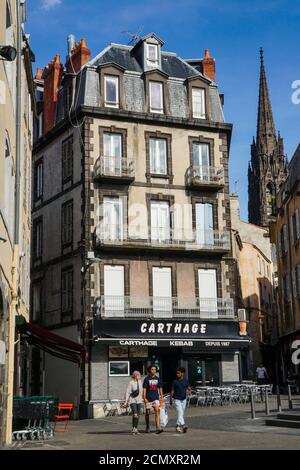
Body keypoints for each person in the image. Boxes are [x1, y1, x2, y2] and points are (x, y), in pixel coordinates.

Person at [143, 364, 164, 434]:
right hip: (148, 398)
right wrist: (144, 398)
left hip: (156, 398)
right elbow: (144, 389)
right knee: (148, 413)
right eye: (152, 369)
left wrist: (161, 397)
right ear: (149, 370)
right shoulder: (146, 379)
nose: (154, 371)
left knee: (157, 411)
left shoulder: (158, 379)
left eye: (155, 369)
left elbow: (160, 388)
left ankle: (158, 427)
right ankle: (147, 426)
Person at [170, 367, 191, 433]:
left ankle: (177, 426)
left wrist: (189, 390)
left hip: (183, 399)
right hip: (177, 399)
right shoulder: (175, 381)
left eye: (178, 373)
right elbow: (172, 390)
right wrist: (170, 398)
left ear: (182, 373)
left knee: (181, 414)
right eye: (177, 373)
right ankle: (183, 425)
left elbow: (188, 387)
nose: (177, 374)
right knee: (180, 412)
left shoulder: (186, 380)